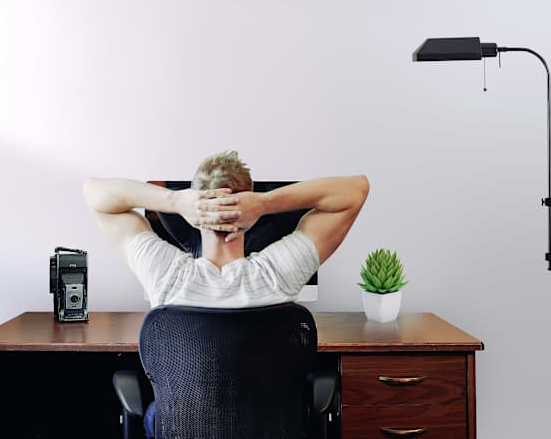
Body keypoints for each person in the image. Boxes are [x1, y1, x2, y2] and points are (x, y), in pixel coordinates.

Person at [84, 150, 369, 436]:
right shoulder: (277, 274)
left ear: (194, 214)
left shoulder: (165, 274)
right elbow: (356, 190)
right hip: (268, 429)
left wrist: (176, 201)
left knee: (155, 413)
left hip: (185, 429)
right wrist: (265, 203)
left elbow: (95, 193)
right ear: (250, 208)